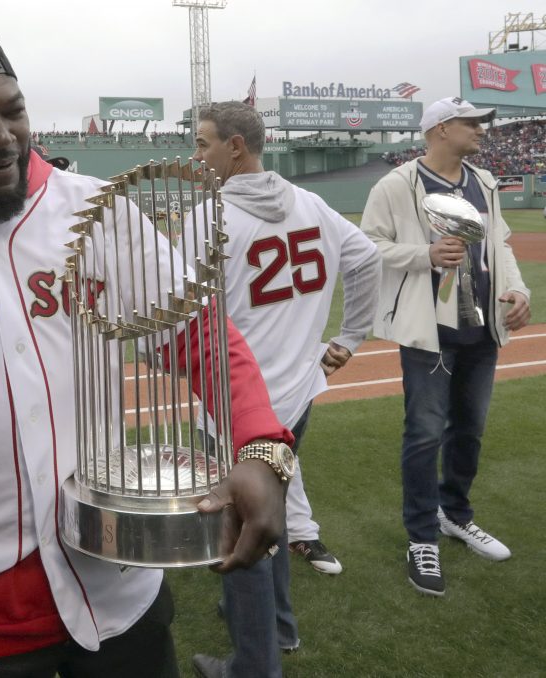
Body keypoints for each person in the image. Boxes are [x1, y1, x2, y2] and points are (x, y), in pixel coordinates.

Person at [0, 28, 295, 678]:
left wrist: (261, 449)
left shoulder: (92, 207)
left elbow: (198, 335)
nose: (1, 135)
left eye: (12, 110)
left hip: (117, 572)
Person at [184, 102, 380, 678]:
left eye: (203, 144)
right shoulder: (309, 201)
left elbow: (180, 318)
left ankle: (253, 665)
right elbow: (365, 258)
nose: (198, 155)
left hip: (239, 404)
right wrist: (349, 335)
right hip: (297, 390)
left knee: (242, 528)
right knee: (273, 510)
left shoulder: (208, 217)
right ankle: (281, 628)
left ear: (235, 147)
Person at [361, 96, 531, 597]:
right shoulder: (397, 184)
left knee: (470, 431)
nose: (480, 130)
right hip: (429, 331)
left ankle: (455, 513)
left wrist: (518, 291)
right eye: (470, 122)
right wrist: (424, 254)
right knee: (424, 434)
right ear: (438, 129)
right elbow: (368, 246)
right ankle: (421, 537)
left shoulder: (484, 181)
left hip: (482, 329)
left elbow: (498, 243)